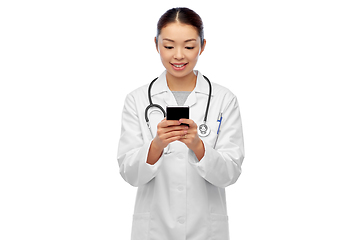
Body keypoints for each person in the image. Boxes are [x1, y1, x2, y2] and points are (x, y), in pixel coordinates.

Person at [117, 7, 245, 240]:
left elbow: (231, 173)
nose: (178, 55)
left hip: (206, 230)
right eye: (168, 46)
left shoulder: (224, 99)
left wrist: (199, 146)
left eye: (188, 46)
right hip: (154, 230)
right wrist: (156, 146)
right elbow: (129, 173)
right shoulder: (136, 100)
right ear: (156, 44)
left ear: (202, 46)